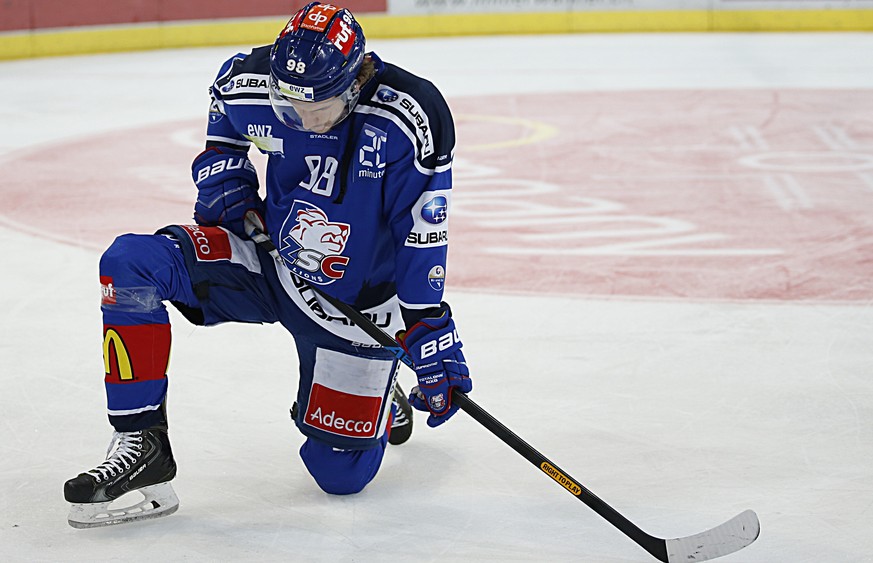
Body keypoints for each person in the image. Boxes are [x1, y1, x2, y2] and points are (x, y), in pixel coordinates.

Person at [63, 1, 472, 529]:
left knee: (338, 476)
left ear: (354, 83)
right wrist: (225, 180)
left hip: (354, 309)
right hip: (268, 262)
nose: (301, 116)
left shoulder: (408, 118)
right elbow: (224, 118)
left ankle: (381, 384)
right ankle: (141, 441)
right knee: (130, 265)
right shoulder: (250, 81)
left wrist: (426, 327)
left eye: (317, 106)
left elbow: (422, 233)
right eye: (289, 101)